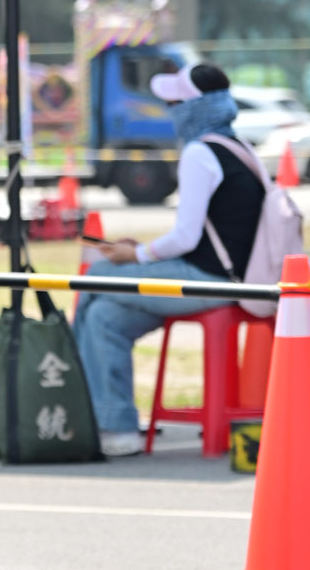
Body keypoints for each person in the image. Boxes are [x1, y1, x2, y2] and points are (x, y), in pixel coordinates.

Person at [74, 62, 264, 458]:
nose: (169, 111)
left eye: (174, 103)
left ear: (193, 108)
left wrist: (136, 254)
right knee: (104, 317)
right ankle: (116, 429)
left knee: (97, 274)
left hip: (209, 280)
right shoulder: (240, 148)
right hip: (236, 277)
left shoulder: (199, 153)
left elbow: (185, 237)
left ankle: (81, 407)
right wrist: (142, 253)